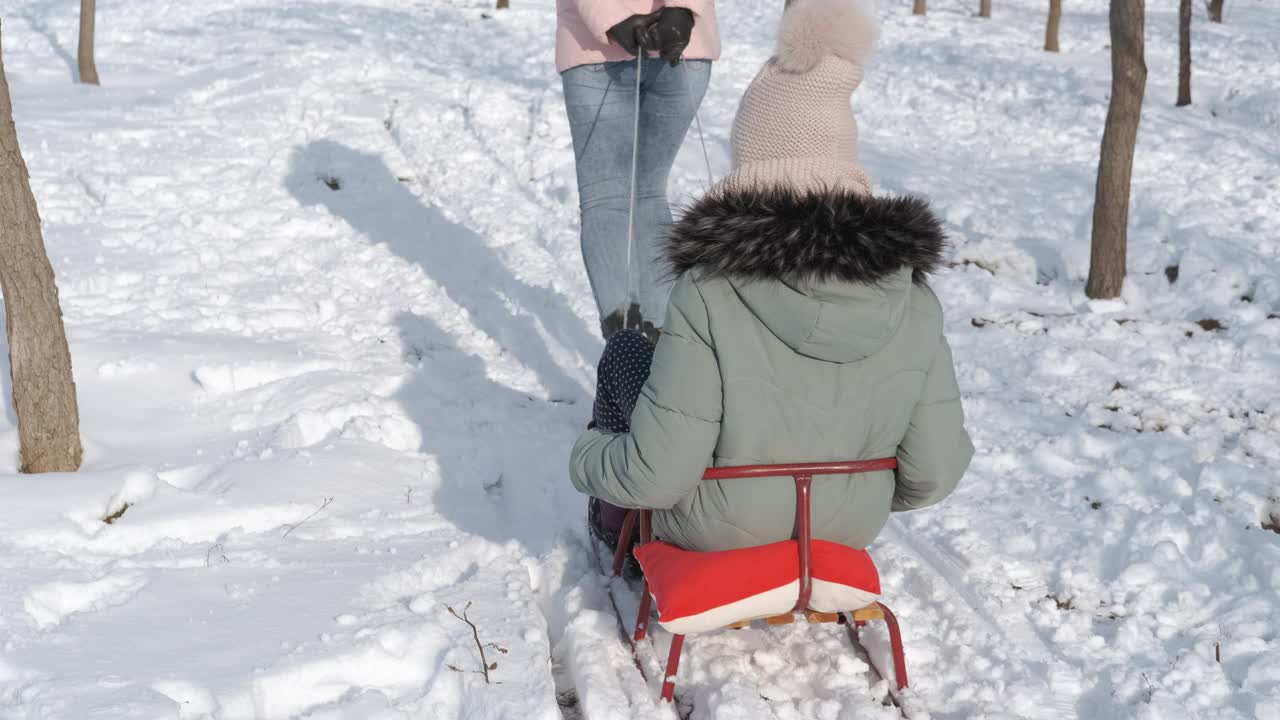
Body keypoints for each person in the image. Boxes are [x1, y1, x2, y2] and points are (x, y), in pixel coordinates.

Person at [571, 0, 974, 554]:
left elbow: (657, 473)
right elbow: (934, 472)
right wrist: (851, 491)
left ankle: (615, 530)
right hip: (844, 529)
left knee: (627, 353)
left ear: (755, 169)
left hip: (715, 530)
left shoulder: (710, 290)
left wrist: (587, 453)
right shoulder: (912, 295)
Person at [557, 1, 721, 341]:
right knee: (643, 192)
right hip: (654, 44)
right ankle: (656, 353)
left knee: (609, 196)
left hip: (610, 47)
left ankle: (632, 353)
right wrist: (682, 11)